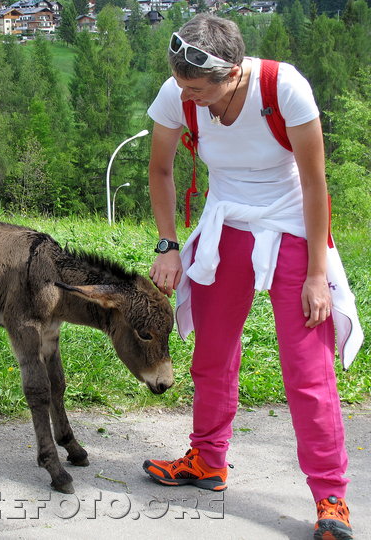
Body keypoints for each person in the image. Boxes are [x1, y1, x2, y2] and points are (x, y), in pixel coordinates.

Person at [142, 14, 362, 540]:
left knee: (307, 369)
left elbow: (314, 184)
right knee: (211, 355)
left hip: (290, 224)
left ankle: (331, 496)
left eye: (198, 90)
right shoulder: (180, 92)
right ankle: (208, 461)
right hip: (226, 224)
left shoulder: (283, 88)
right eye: (182, 87)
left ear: (233, 73)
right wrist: (169, 246)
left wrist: (316, 274)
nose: (188, 99)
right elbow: (161, 170)